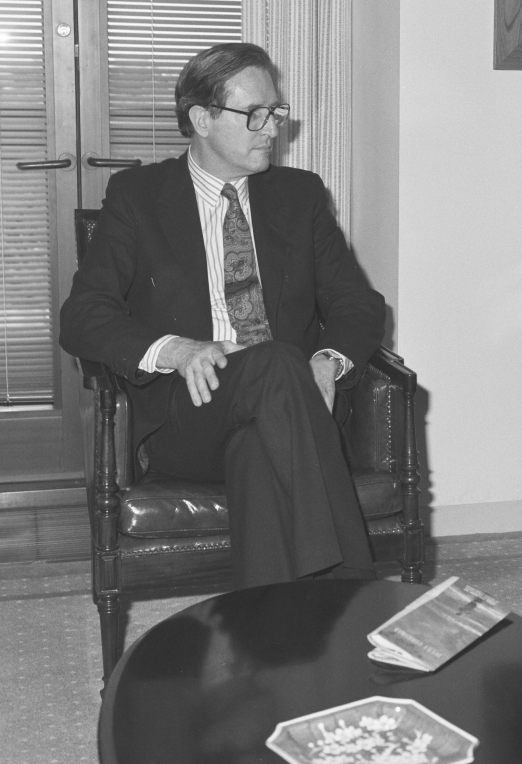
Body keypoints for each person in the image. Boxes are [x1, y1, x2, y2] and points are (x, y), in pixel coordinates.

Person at [60, 42, 386, 589]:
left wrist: (328, 363)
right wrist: (178, 349)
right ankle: (355, 586)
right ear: (202, 119)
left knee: (261, 444)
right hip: (191, 414)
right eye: (254, 114)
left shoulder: (298, 195)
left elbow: (358, 304)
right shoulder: (139, 196)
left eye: (276, 112)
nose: (271, 128)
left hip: (288, 414)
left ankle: (270, 645)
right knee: (278, 362)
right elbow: (82, 315)